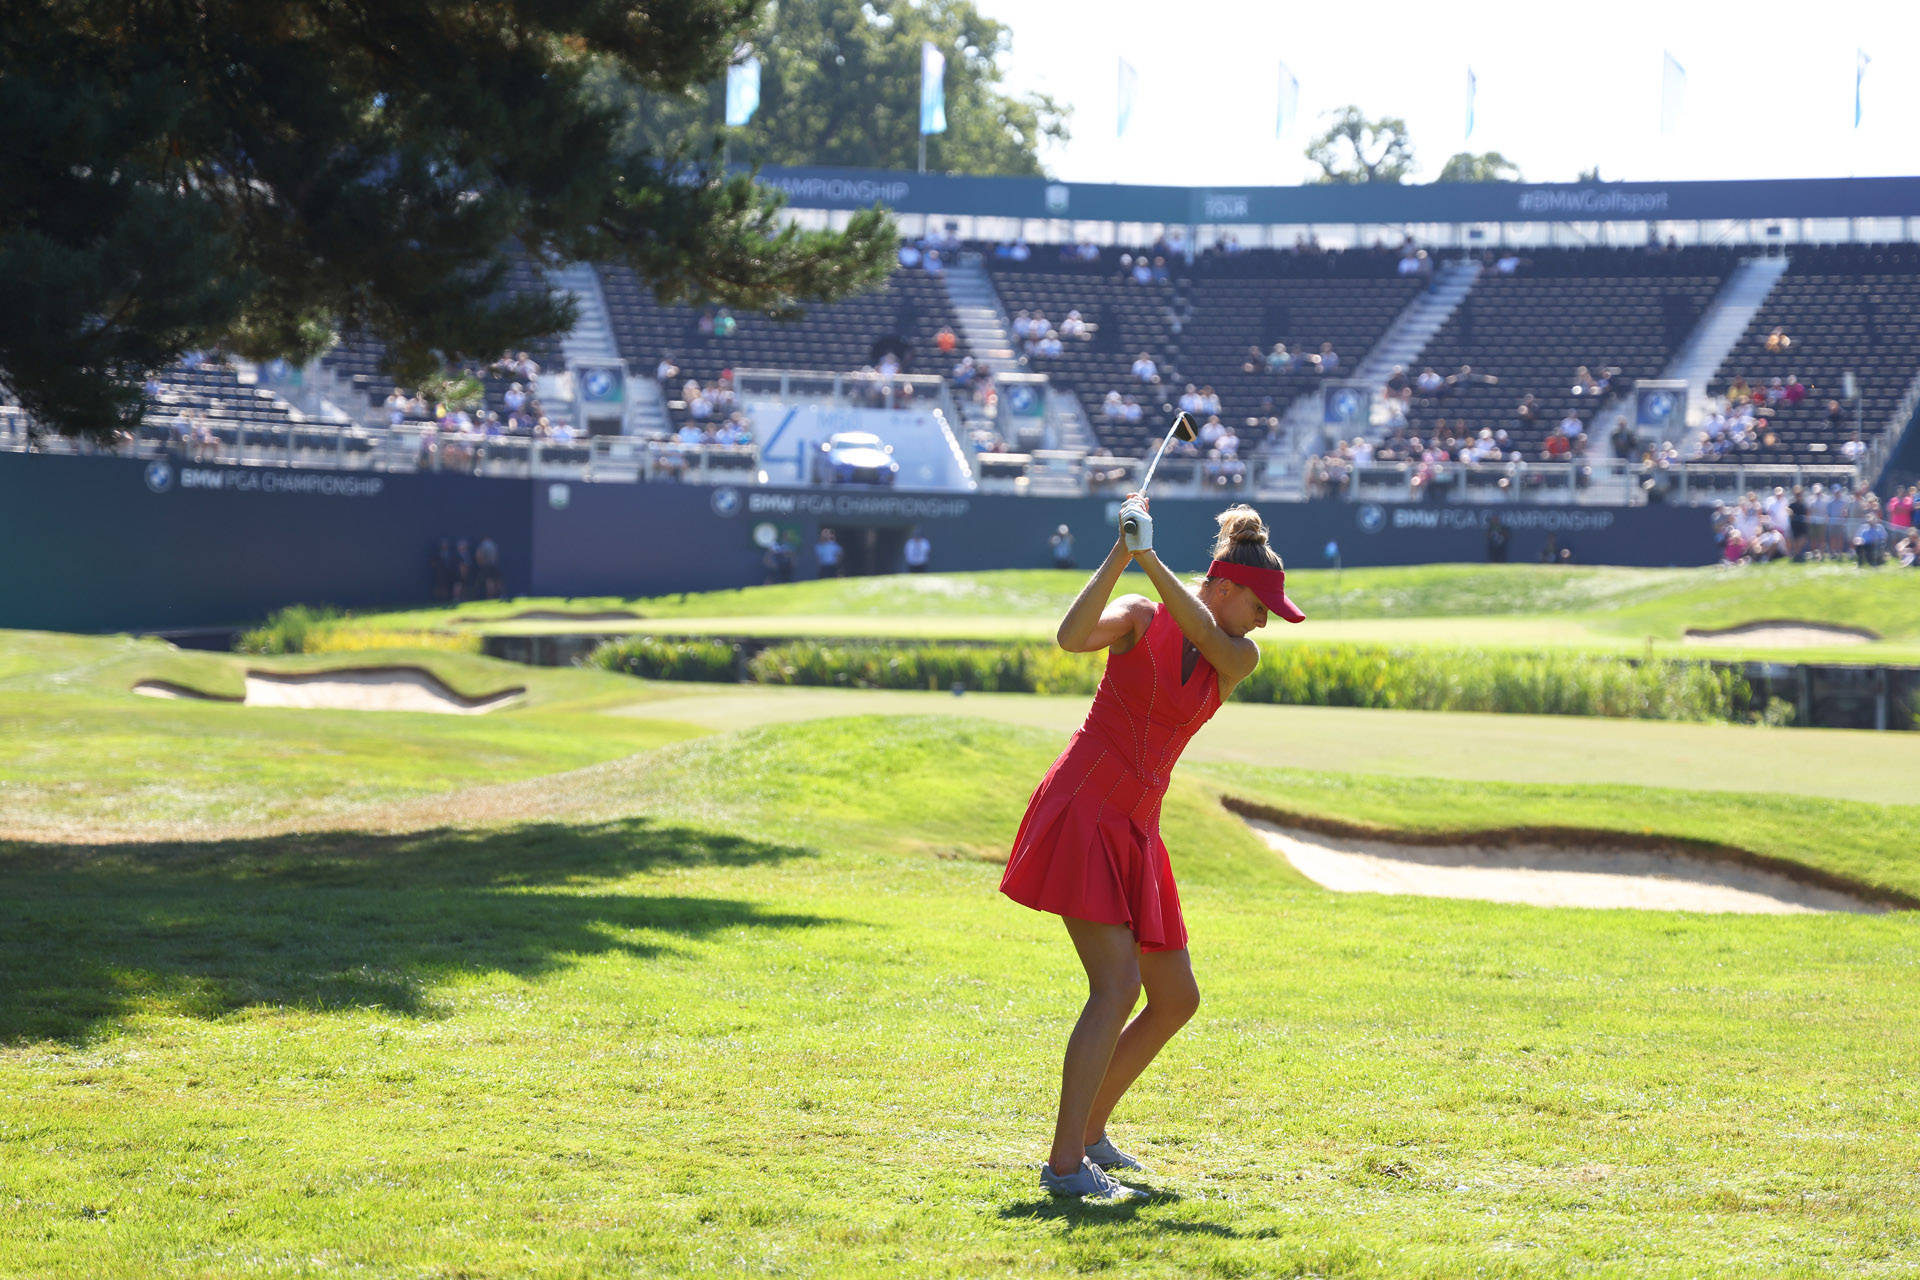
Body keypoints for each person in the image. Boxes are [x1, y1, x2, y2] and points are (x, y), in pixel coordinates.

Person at [1001, 501, 1306, 1200]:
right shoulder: (1140, 615)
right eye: (1261, 606)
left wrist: (1149, 558)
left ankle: (1088, 1137)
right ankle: (1065, 1168)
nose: (1265, 622)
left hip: (1138, 826)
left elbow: (1204, 629)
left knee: (1175, 997)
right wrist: (1120, 556)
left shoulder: (1239, 655)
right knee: (1116, 988)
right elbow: (1071, 635)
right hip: (1084, 807)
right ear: (1227, 588)